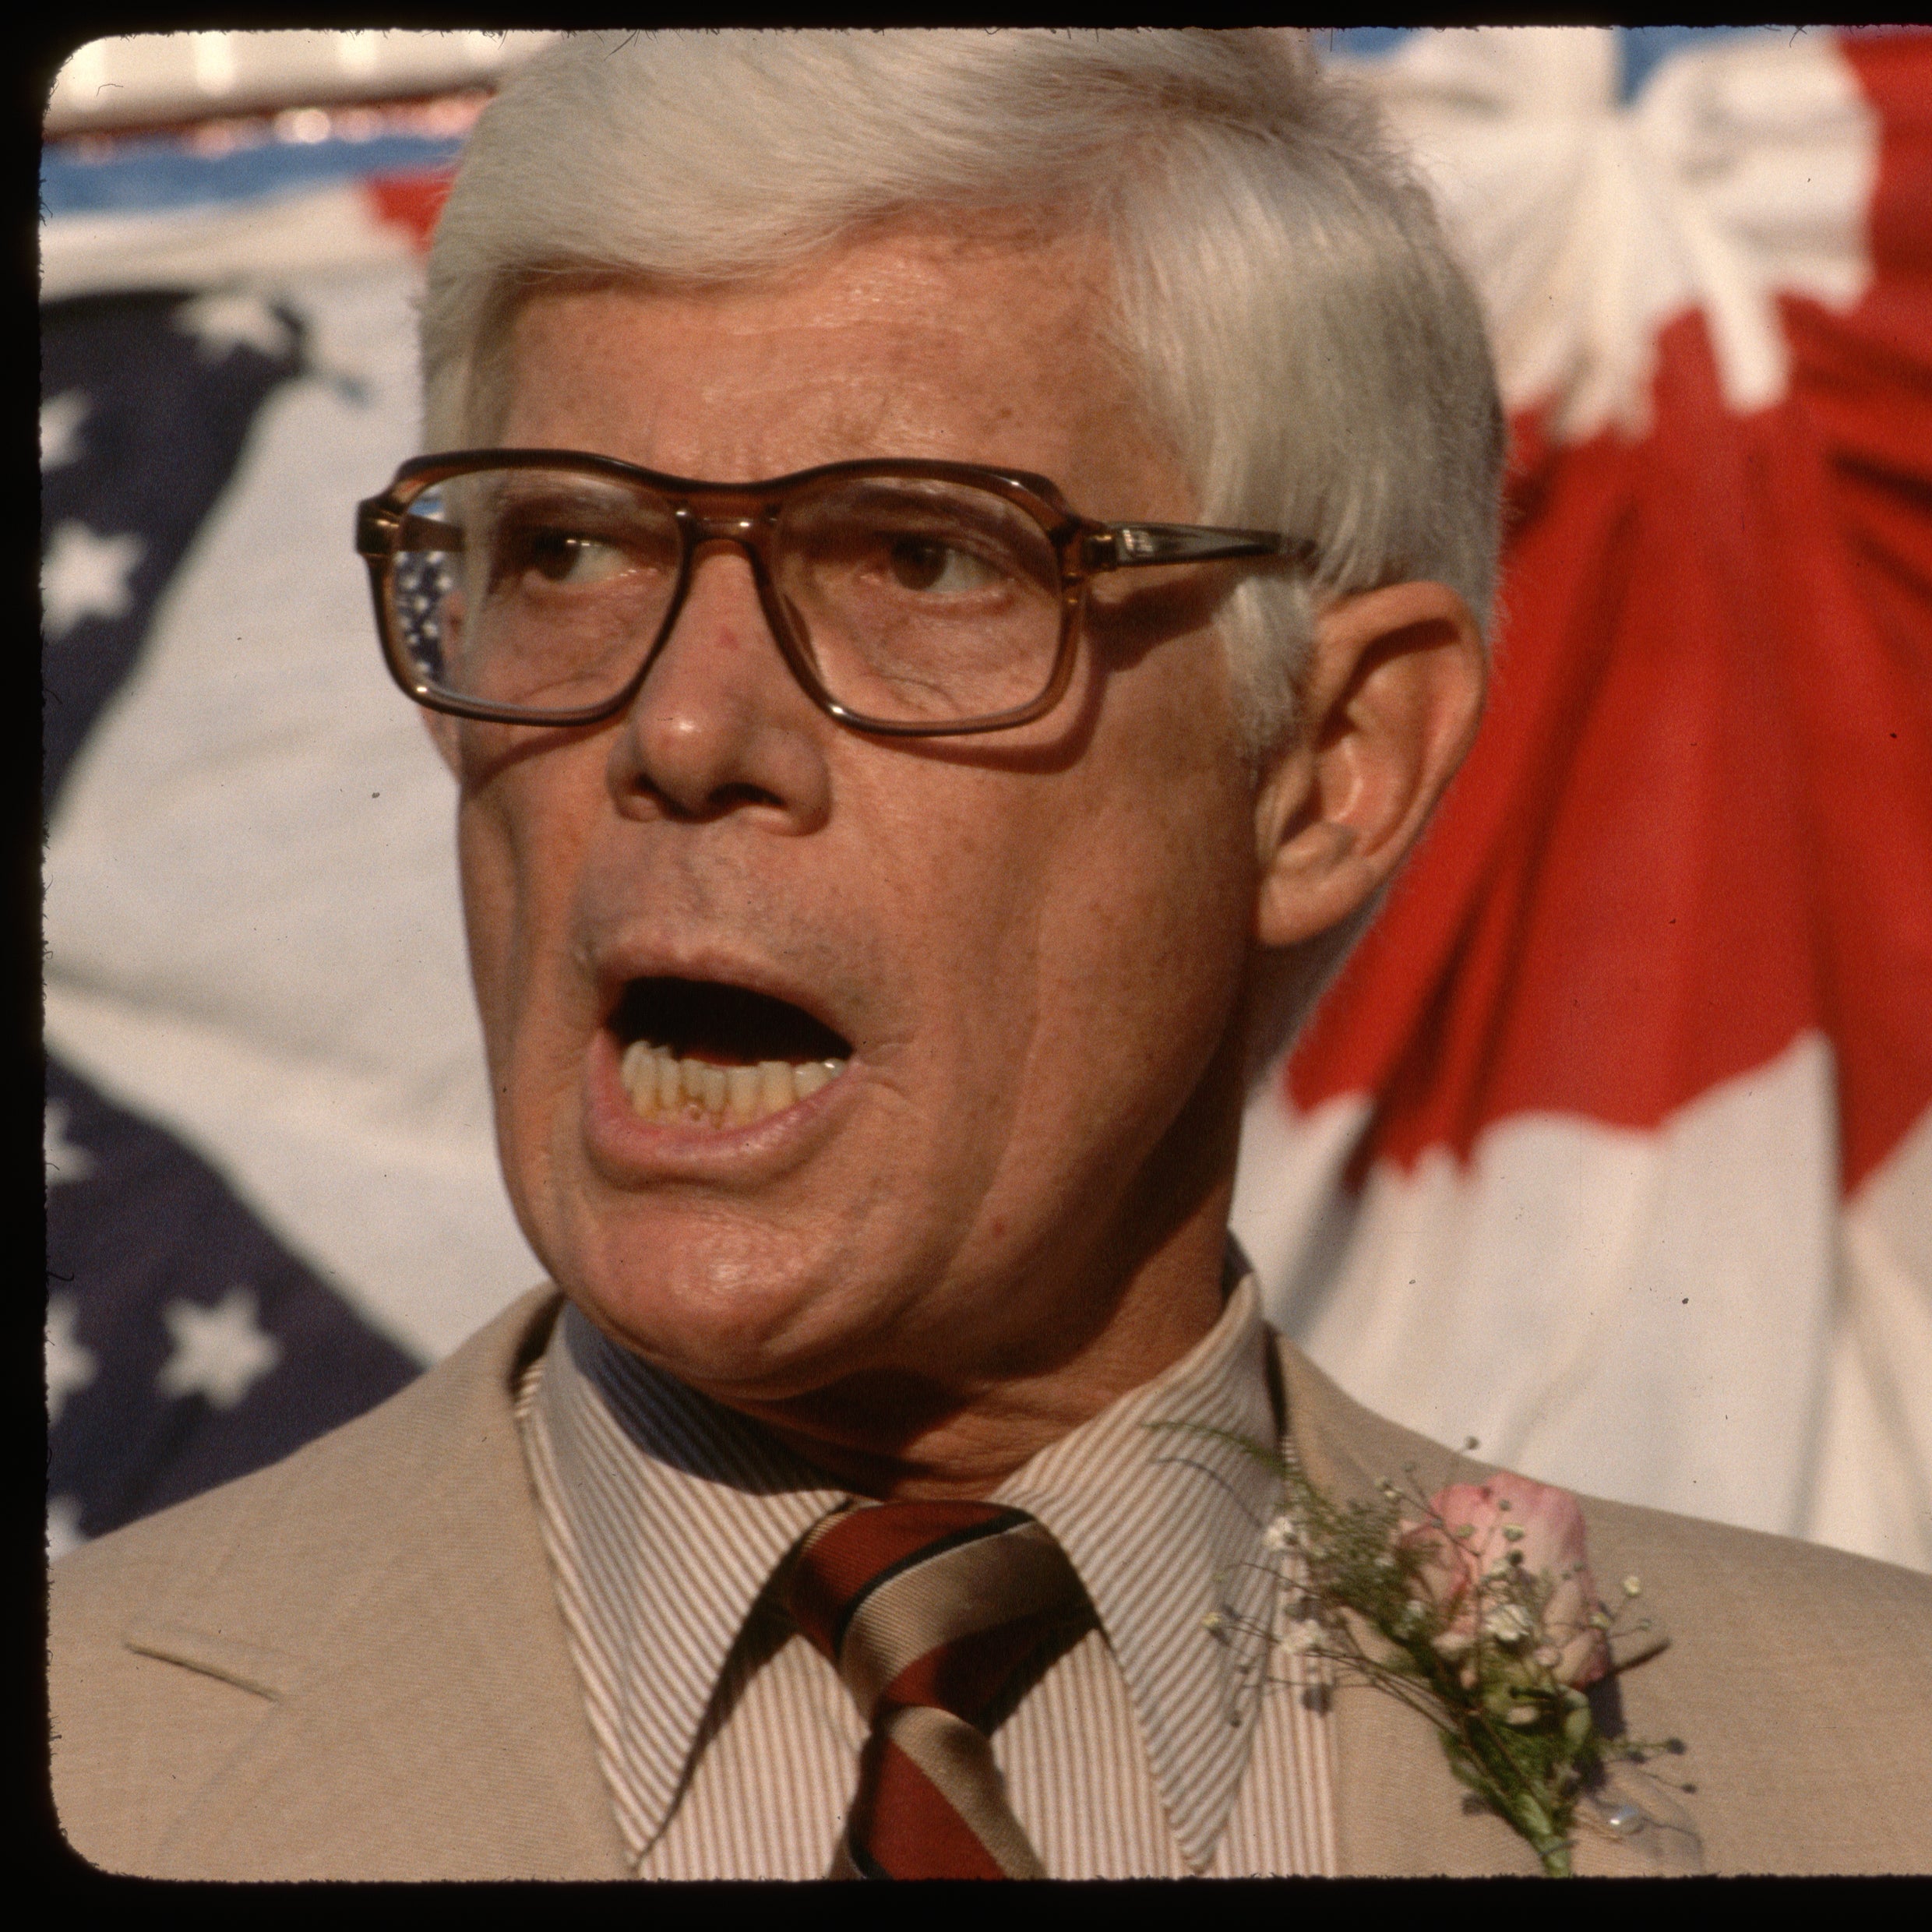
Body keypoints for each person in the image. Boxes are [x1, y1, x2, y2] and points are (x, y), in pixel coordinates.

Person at [48, 30, 1932, 1879]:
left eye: (923, 560)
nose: (685, 731)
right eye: (566, 550)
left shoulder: (1874, 1776)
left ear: (1330, 769)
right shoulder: (92, 1746)